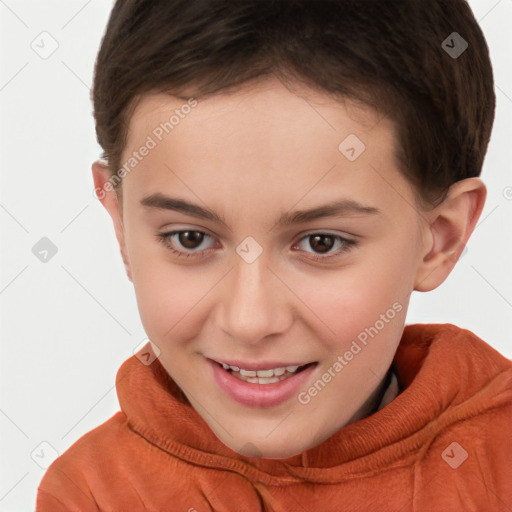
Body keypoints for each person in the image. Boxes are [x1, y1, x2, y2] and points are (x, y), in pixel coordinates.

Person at [36, 0, 512, 510]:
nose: (249, 320)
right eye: (190, 238)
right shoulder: (93, 496)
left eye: (321, 243)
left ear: (440, 238)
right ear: (122, 226)